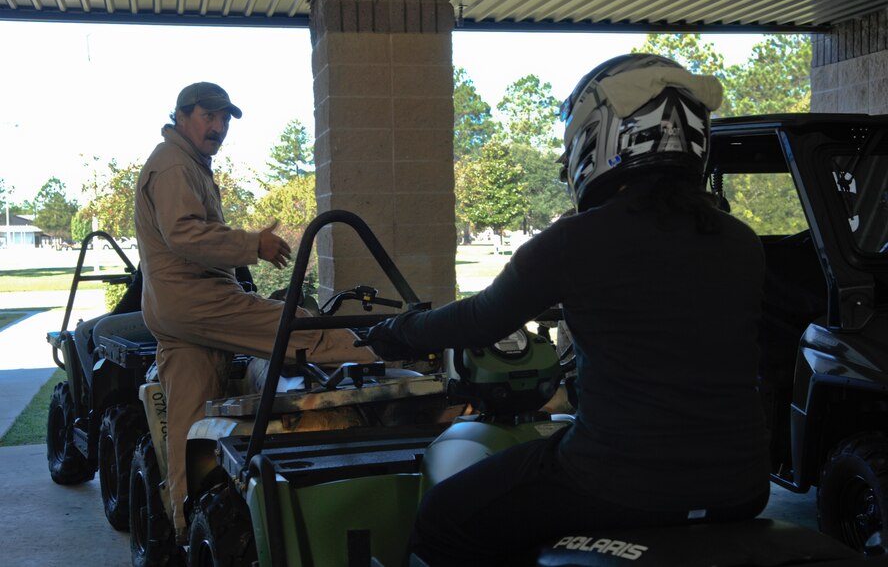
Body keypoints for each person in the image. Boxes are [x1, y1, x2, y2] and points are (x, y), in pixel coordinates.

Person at [365, 54, 771, 565]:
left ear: (597, 136)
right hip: (743, 486)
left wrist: (398, 331)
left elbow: (481, 319)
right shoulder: (741, 242)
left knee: (445, 517)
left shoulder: (576, 241)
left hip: (617, 480)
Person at [134, 81, 376, 540]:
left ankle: (188, 525)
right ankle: (397, 351)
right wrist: (254, 245)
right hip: (195, 301)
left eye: (225, 119)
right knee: (300, 330)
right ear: (183, 115)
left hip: (177, 311)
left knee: (190, 420)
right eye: (210, 116)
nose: (219, 127)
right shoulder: (173, 167)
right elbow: (185, 235)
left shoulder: (187, 165)